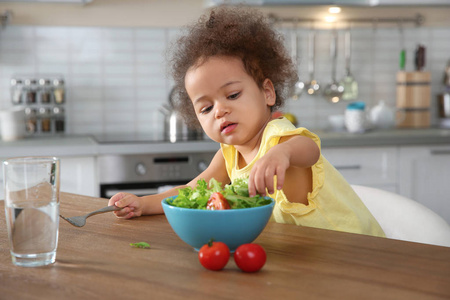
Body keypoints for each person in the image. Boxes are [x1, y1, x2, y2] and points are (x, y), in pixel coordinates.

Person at [108, 6, 385, 237]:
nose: (219, 111)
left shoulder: (277, 135)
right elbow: (193, 191)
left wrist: (282, 154)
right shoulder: (229, 152)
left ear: (267, 92)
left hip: (355, 250)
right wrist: (143, 204)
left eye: (233, 94)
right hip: (305, 257)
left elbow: (309, 149)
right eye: (206, 108)